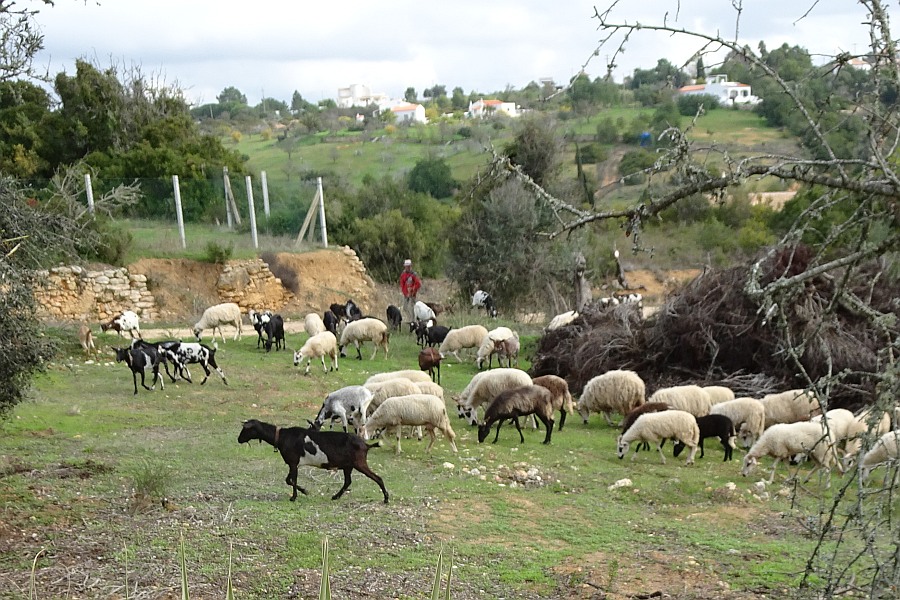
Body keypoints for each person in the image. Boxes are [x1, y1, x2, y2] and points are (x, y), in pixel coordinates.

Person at [399, 259, 421, 324]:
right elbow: (402, 285)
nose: (408, 268)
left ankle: (413, 321)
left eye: (409, 266)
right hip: (406, 294)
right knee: (405, 307)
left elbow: (418, 284)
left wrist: (413, 290)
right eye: (406, 266)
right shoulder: (403, 274)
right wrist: (405, 293)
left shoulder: (414, 274)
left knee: (413, 308)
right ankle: (410, 318)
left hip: (412, 294)